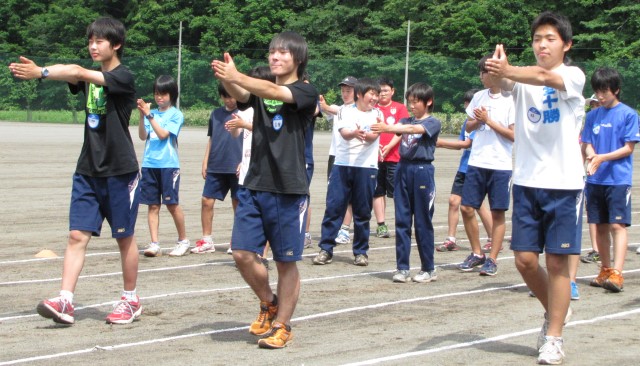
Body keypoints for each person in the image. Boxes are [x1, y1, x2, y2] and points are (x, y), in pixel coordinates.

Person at [9, 17, 142, 325]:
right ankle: (65, 300)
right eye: (90, 41)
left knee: (124, 238)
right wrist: (43, 71)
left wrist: (40, 73)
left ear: (116, 44)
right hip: (88, 169)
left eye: (99, 41)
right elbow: (73, 70)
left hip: (120, 171)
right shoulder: (87, 74)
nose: (93, 46)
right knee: (76, 235)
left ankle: (130, 299)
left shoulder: (123, 76)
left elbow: (79, 72)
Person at [485, 11, 586, 364]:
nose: (542, 44)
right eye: (537, 38)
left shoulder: (573, 75)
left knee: (558, 263)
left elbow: (544, 76)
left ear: (566, 44)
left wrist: (508, 71)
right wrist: (496, 68)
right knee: (526, 261)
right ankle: (556, 312)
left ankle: (553, 335)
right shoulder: (522, 78)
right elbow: (502, 83)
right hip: (526, 182)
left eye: (550, 39)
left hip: (564, 185)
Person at [212, 31, 318, 349]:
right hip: (254, 183)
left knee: (286, 262)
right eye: (272, 51)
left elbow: (272, 90)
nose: (275, 56)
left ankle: (283, 325)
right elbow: (242, 93)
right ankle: (269, 301)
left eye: (283, 52)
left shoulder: (306, 91)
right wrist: (228, 78)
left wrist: (239, 76)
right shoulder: (260, 91)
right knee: (242, 253)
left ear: (297, 58)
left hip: (288, 188)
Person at [371, 82, 441, 283]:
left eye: (416, 102)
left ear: (428, 102)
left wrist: (387, 127)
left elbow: (412, 129)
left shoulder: (432, 122)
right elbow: (400, 132)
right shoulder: (405, 120)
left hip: (422, 171)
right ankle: (402, 267)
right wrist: (385, 141)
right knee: (402, 221)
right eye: (410, 102)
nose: (412, 106)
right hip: (403, 168)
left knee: (422, 222)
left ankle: (428, 268)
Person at [581, 67, 639, 293]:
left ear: (616, 90)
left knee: (617, 224)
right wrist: (591, 156)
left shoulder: (628, 114)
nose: (601, 96)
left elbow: (628, 148)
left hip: (618, 179)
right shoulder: (592, 114)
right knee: (601, 227)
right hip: (595, 181)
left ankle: (617, 272)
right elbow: (586, 142)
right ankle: (604, 269)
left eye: (605, 91)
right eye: (597, 91)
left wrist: (602, 157)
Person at [313, 78, 381, 267]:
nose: (375, 98)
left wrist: (365, 135)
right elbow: (344, 133)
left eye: (377, 94)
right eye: (372, 94)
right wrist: (355, 133)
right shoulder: (344, 111)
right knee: (334, 208)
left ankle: (361, 252)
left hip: (367, 168)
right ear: (360, 94)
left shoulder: (377, 113)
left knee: (362, 211)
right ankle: (326, 249)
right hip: (342, 165)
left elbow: (374, 136)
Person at [457, 55, 515, 276]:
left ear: (495, 74)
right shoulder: (479, 97)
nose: (481, 76)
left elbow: (513, 135)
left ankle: (492, 259)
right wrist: (479, 120)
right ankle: (477, 252)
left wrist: (489, 121)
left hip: (500, 165)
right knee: (466, 207)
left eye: (484, 72)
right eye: (481, 72)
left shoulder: (511, 99)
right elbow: (469, 126)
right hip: (477, 161)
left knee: (497, 212)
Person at [137, 75, 190, 257]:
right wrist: (141, 115)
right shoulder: (151, 114)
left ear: (172, 95)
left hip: (168, 165)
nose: (159, 98)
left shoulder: (176, 114)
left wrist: (149, 115)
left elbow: (162, 134)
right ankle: (154, 243)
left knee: (172, 204)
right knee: (152, 205)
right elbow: (143, 136)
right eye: (157, 94)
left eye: (164, 94)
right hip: (149, 164)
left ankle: (183, 240)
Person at [436, 89, 493, 252]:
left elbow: (467, 144)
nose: (466, 106)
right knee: (454, 201)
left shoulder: (480, 123)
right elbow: (460, 145)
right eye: (466, 103)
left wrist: (439, 142)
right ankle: (451, 239)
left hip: (476, 168)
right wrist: (439, 144)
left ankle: (492, 238)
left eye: (468, 103)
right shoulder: (466, 124)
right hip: (463, 168)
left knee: (479, 205)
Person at [191, 84, 243, 254]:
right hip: (216, 165)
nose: (229, 100)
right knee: (206, 201)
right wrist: (205, 161)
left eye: (232, 96)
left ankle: (237, 240)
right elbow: (212, 139)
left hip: (237, 166)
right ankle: (207, 240)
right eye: (225, 96)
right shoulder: (216, 114)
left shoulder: (246, 113)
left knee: (238, 203)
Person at [319, 76, 358, 245]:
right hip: (335, 155)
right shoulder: (339, 108)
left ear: (357, 92)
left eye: (348, 90)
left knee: (350, 196)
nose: (345, 93)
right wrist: (322, 105)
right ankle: (335, 228)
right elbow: (328, 110)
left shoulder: (358, 110)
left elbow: (332, 110)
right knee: (334, 195)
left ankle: (344, 229)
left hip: (352, 156)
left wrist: (326, 107)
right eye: (343, 91)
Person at [373, 77, 410, 238]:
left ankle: (403, 223)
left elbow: (401, 130)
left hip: (395, 158)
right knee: (377, 191)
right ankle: (381, 225)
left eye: (386, 90)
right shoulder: (372, 109)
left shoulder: (400, 108)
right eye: (380, 91)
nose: (382, 94)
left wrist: (388, 147)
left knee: (397, 192)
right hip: (374, 159)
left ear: (392, 91)